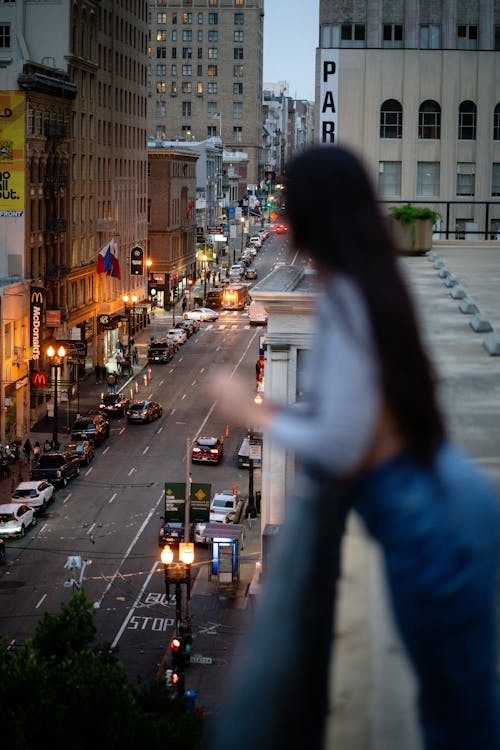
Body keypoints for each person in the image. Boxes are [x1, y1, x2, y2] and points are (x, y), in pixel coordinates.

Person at [209, 146, 500, 750]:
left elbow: (344, 442)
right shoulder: (375, 284)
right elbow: (359, 418)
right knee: (461, 705)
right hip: (448, 501)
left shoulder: (346, 297)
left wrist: (247, 409)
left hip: (428, 527)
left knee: (457, 719)